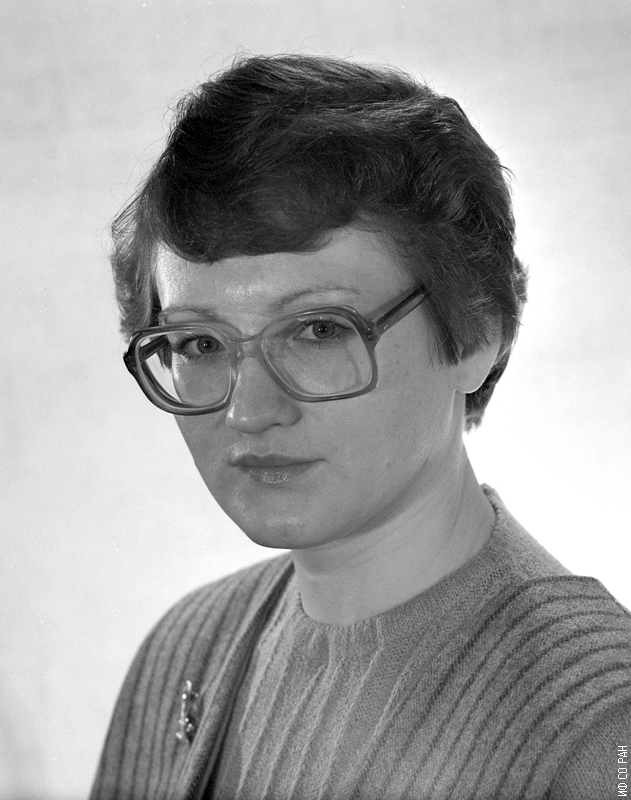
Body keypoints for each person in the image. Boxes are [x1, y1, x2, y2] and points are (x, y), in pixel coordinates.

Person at [91, 54, 631, 800]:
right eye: (199, 344)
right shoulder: (182, 655)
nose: (248, 410)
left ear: (476, 332)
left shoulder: (601, 729)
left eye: (318, 330)